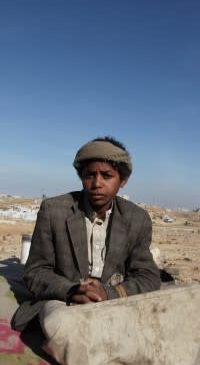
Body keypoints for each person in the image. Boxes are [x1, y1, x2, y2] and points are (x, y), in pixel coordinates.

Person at [10, 136, 160, 331]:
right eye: (89, 175)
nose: (97, 183)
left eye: (106, 175)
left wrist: (110, 294)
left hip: (115, 303)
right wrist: (71, 291)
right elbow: (36, 272)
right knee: (62, 326)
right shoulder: (54, 211)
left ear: (123, 180)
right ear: (81, 176)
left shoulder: (137, 219)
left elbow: (148, 276)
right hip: (64, 303)